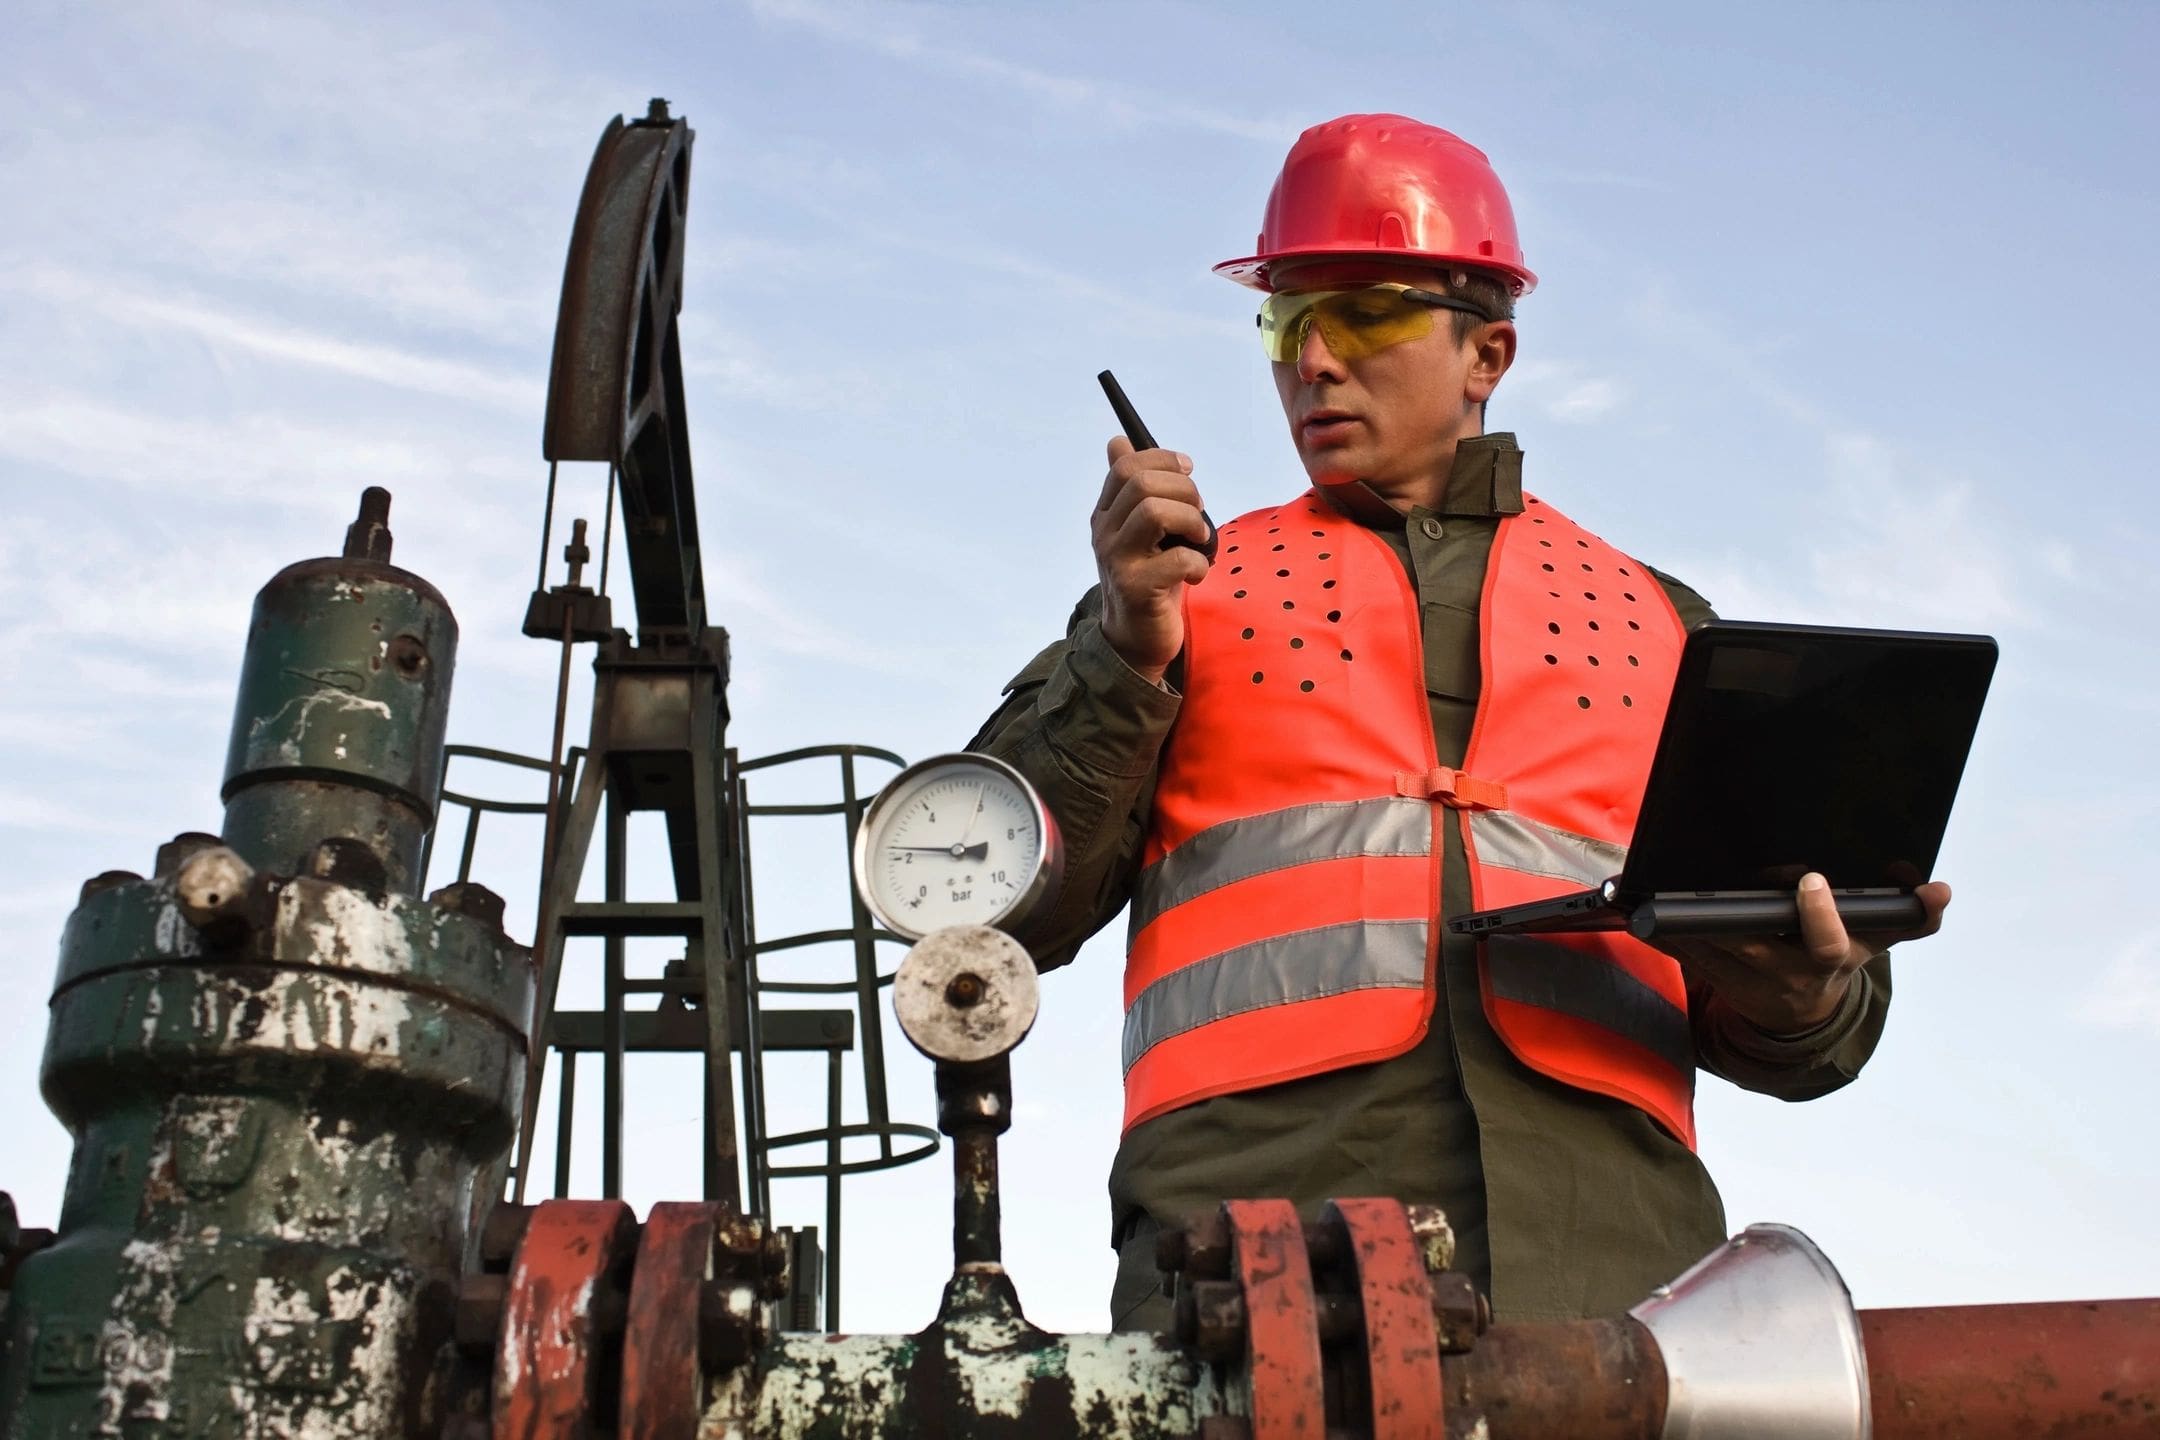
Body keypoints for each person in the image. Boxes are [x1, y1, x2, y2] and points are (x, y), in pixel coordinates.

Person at [968, 114, 1949, 1330]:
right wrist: (1124, 651)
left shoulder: (1660, 624)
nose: (1314, 358)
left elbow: (1814, 1036)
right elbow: (991, 903)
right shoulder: (1172, 595)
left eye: (1367, 310)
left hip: (1617, 1290)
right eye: (1285, 318)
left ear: (1489, 353)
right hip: (1248, 1277)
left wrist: (1805, 993)